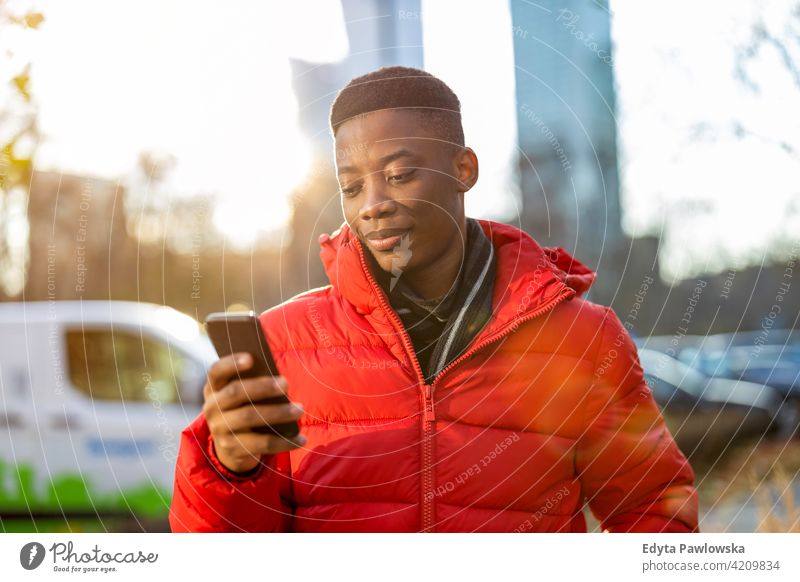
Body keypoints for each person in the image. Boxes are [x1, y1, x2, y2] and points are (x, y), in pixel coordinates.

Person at [169, 66, 699, 533]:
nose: (372, 205)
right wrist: (232, 468)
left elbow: (654, 512)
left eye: (399, 175)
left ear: (463, 169)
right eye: (351, 188)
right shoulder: (283, 341)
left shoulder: (583, 340)